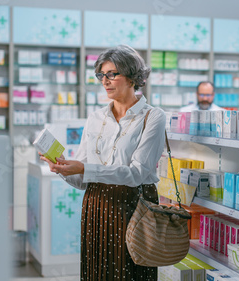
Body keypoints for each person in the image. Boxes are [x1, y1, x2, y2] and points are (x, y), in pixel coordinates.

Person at [40, 45, 165, 281]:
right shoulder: (95, 118)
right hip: (97, 204)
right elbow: (82, 179)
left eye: (112, 74)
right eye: (101, 75)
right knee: (97, 272)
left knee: (131, 272)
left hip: (134, 206)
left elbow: (137, 173)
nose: (105, 81)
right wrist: (63, 169)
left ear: (132, 77)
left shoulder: (153, 116)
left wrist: (85, 169)